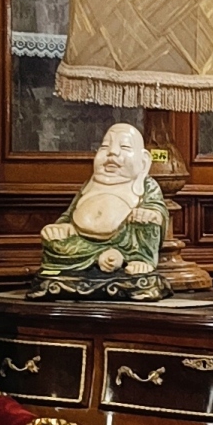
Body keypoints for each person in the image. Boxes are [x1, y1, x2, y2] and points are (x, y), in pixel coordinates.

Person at [35, 122, 168, 300]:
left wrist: (150, 213)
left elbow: (157, 208)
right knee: (53, 242)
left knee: (148, 222)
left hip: (125, 242)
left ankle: (139, 260)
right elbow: (70, 214)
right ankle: (103, 257)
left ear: (143, 161)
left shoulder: (146, 185)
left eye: (124, 147)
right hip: (83, 243)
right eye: (105, 146)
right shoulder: (90, 184)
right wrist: (63, 226)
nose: (112, 152)